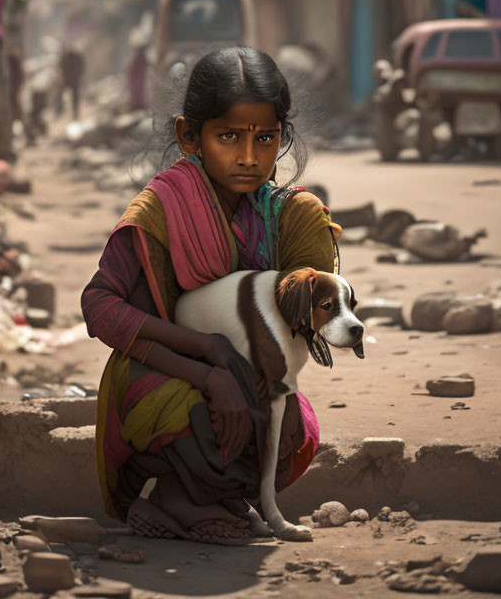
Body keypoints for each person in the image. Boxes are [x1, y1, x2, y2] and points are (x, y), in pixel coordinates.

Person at [81, 47, 341, 544]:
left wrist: (255, 382)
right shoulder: (162, 207)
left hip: (255, 375)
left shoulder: (288, 216)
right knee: (198, 408)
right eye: (227, 136)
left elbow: (309, 318)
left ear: (281, 138)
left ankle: (209, 500)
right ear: (188, 136)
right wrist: (205, 361)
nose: (248, 156)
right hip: (159, 368)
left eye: (264, 138)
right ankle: (178, 496)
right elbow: (99, 305)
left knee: (292, 426)